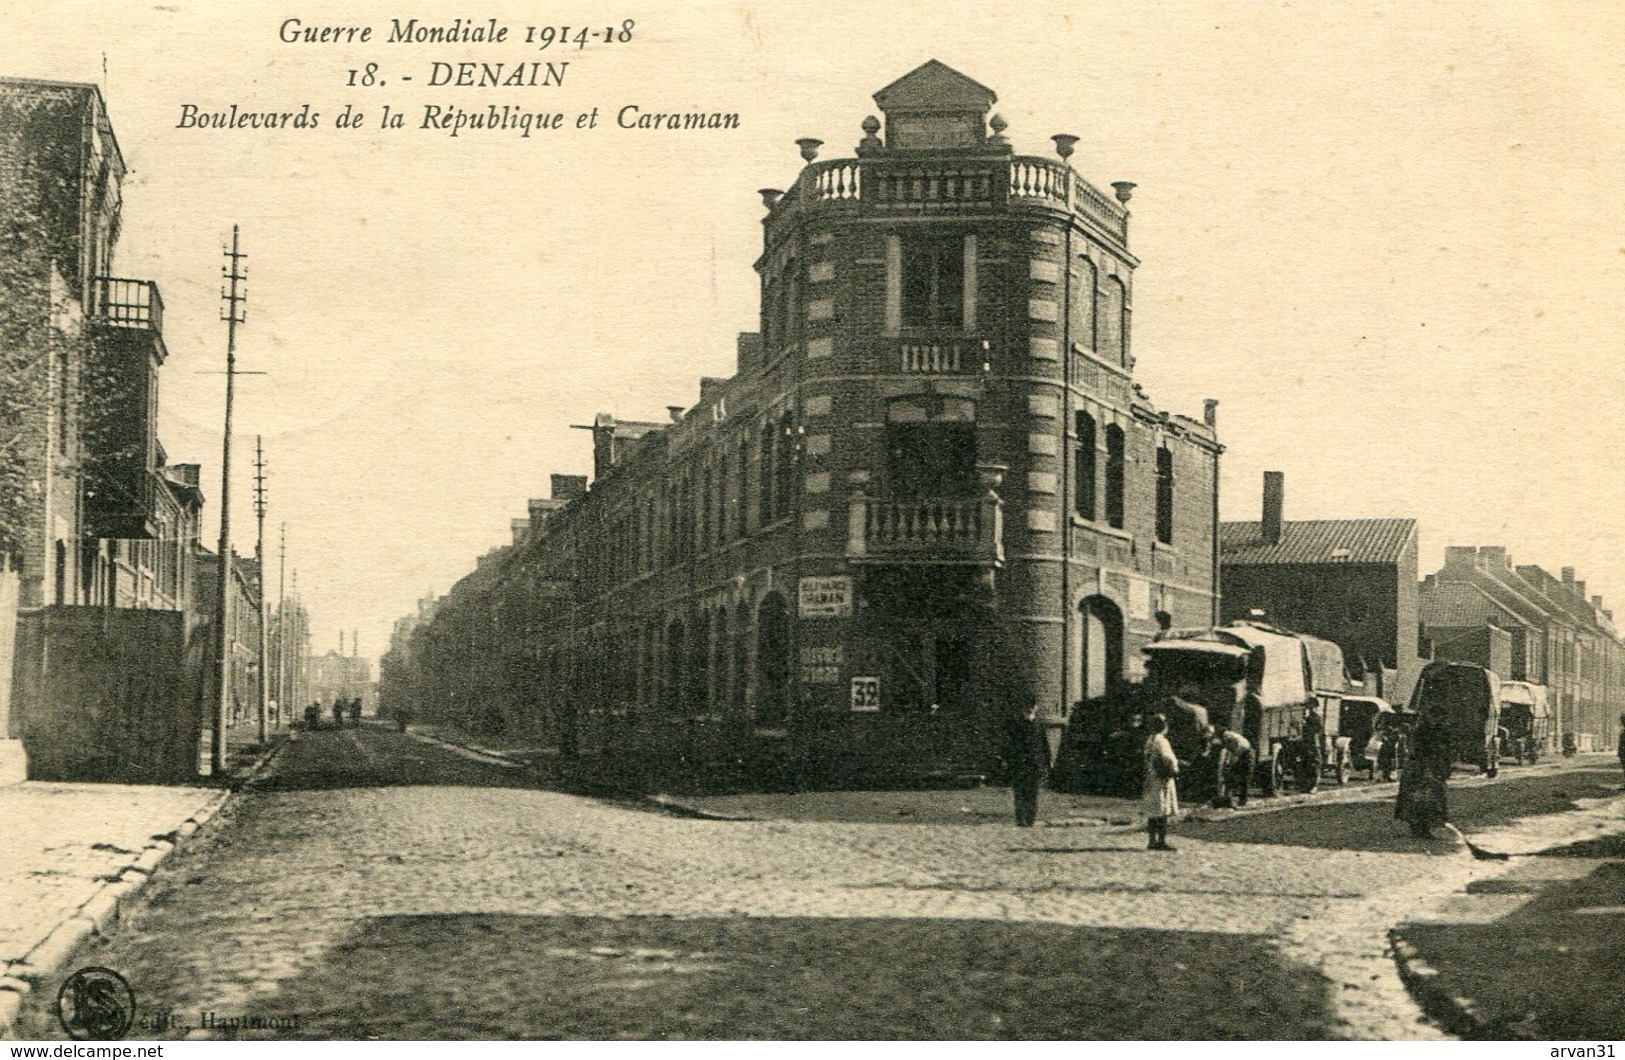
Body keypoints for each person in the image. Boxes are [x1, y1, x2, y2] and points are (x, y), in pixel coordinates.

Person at [1397, 709, 1453, 837]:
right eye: (1435, 716)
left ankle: (1425, 827)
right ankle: (1418, 827)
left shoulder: (1441, 731)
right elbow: (1418, 751)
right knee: (1419, 798)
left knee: (1430, 799)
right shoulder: (1423, 730)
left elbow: (1446, 752)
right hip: (1420, 767)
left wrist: (1444, 768)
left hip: (1432, 767)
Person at [1001, 704, 1051, 827]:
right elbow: (1009, 744)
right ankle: (1021, 819)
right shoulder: (1016, 725)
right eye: (1026, 708)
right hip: (1019, 764)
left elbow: (1044, 744)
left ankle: (1030, 819)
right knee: (1020, 792)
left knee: (1033, 792)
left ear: (1036, 708)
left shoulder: (1039, 725)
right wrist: (1007, 759)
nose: (1029, 711)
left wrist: (1047, 761)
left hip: (1034, 764)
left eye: (1031, 707)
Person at [1142, 712, 1180, 851]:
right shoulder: (1162, 740)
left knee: (1153, 809)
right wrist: (1175, 769)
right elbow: (1167, 758)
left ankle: (1152, 840)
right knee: (1163, 809)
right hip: (1161, 778)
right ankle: (1161, 841)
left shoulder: (1150, 739)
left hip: (1151, 777)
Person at [1213, 725, 1253, 807]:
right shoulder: (1230, 735)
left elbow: (1235, 750)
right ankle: (1231, 798)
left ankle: (1241, 800)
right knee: (1234, 776)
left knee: (1244, 778)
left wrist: (1232, 763)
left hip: (1246, 754)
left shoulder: (1228, 737)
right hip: (1243, 753)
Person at [1299, 705, 1325, 793]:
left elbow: (1318, 730)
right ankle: (1307, 786)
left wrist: (1306, 725)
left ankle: (1314, 786)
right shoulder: (1308, 717)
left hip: (1313, 744)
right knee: (1306, 765)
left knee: (1314, 765)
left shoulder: (1315, 718)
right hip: (1307, 743)